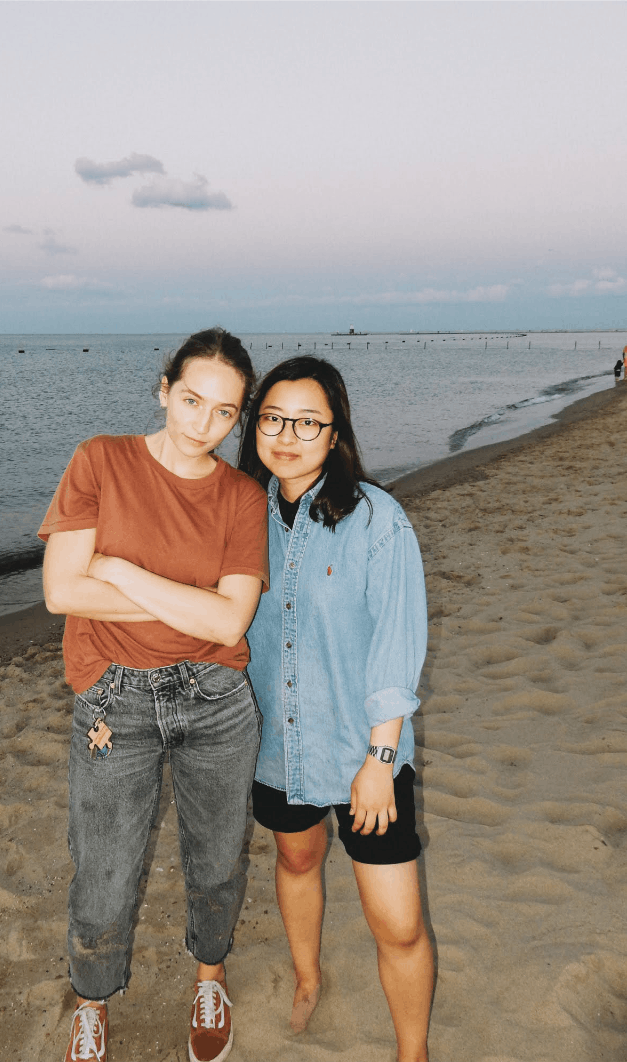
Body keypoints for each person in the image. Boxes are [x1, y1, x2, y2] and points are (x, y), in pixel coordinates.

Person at [39, 328, 269, 1062]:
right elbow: (59, 592)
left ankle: (210, 975)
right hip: (113, 700)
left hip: (216, 699)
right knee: (104, 868)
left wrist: (119, 570)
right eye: (192, 400)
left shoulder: (240, 497)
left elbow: (231, 620)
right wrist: (188, 600)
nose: (204, 425)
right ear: (163, 389)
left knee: (217, 858)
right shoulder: (101, 460)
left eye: (225, 413)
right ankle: (92, 1001)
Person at [238, 357, 434, 1062]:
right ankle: (307, 976)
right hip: (278, 749)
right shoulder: (238, 514)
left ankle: (412, 1053)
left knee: (400, 923)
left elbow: (396, 645)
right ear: (254, 425)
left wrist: (381, 761)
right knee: (297, 861)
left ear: (335, 431)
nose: (286, 435)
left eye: (306, 421)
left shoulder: (378, 518)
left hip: (363, 751)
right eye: (272, 418)